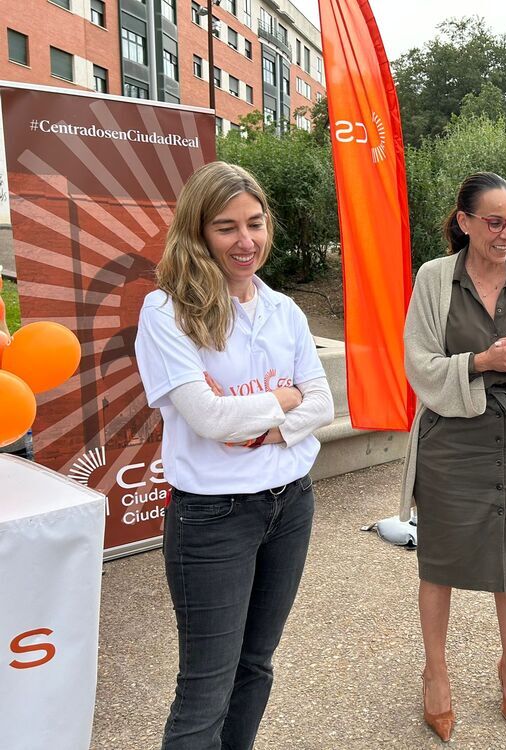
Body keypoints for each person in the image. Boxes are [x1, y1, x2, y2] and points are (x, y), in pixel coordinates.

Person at [134, 161, 333, 750]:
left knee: (257, 666)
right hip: (213, 518)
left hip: (291, 504)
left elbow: (322, 404)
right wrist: (286, 401)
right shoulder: (166, 312)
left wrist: (270, 429)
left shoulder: (285, 310)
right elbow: (208, 418)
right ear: (197, 232)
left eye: (255, 222)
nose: (246, 241)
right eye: (226, 227)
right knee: (206, 687)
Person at [399, 172, 506, 741]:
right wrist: (478, 364)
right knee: (439, 560)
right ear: (464, 222)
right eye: (494, 221)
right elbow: (418, 364)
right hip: (452, 443)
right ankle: (436, 673)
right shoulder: (434, 278)